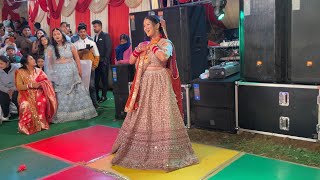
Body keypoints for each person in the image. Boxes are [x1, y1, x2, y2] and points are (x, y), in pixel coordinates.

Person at [111, 15, 199, 171]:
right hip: (145, 82)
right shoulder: (143, 44)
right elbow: (131, 61)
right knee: (144, 114)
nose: (145, 28)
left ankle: (164, 151)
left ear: (157, 25)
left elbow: (164, 57)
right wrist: (138, 50)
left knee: (162, 114)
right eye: (144, 26)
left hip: (160, 81)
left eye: (148, 25)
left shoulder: (166, 43)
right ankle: (143, 146)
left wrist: (153, 46)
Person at [45, 28, 97, 123]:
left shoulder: (70, 45)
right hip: (60, 73)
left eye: (58, 34)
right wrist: (52, 74)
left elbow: (77, 58)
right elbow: (49, 63)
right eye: (54, 34)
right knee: (61, 93)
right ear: (52, 37)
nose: (56, 36)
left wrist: (79, 70)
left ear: (62, 35)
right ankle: (63, 114)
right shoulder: (51, 48)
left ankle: (80, 112)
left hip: (72, 71)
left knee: (76, 90)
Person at [14, 54, 57, 135]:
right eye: (31, 59)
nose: (34, 60)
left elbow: (47, 82)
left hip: (39, 93)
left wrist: (41, 84)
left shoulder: (39, 71)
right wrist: (31, 85)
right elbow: (19, 86)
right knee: (25, 104)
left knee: (42, 101)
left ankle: (42, 124)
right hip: (25, 94)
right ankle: (27, 126)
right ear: (26, 63)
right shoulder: (20, 72)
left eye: (33, 58)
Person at [74, 24, 100, 108]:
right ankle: (83, 105)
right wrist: (82, 52)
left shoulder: (92, 43)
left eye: (84, 31)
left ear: (86, 32)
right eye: (81, 32)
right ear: (78, 33)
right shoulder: (75, 44)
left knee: (91, 86)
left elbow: (97, 55)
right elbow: (74, 57)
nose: (83, 33)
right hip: (80, 68)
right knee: (81, 86)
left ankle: (94, 104)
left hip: (90, 68)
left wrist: (94, 66)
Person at [92, 20, 112, 103]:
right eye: (93, 26)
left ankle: (104, 96)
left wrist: (106, 61)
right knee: (96, 80)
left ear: (100, 26)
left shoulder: (105, 35)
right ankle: (96, 96)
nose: (94, 28)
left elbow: (108, 48)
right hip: (96, 62)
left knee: (104, 80)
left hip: (103, 62)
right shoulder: (95, 37)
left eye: (95, 26)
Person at [0, 56, 19, 123]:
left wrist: (13, 90)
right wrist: (8, 90)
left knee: (16, 97)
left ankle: (21, 114)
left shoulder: (16, 69)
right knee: (2, 97)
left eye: (1, 63)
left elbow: (19, 81)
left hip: (16, 88)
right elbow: (0, 85)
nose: (0, 65)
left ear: (7, 63)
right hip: (5, 89)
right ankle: (6, 115)